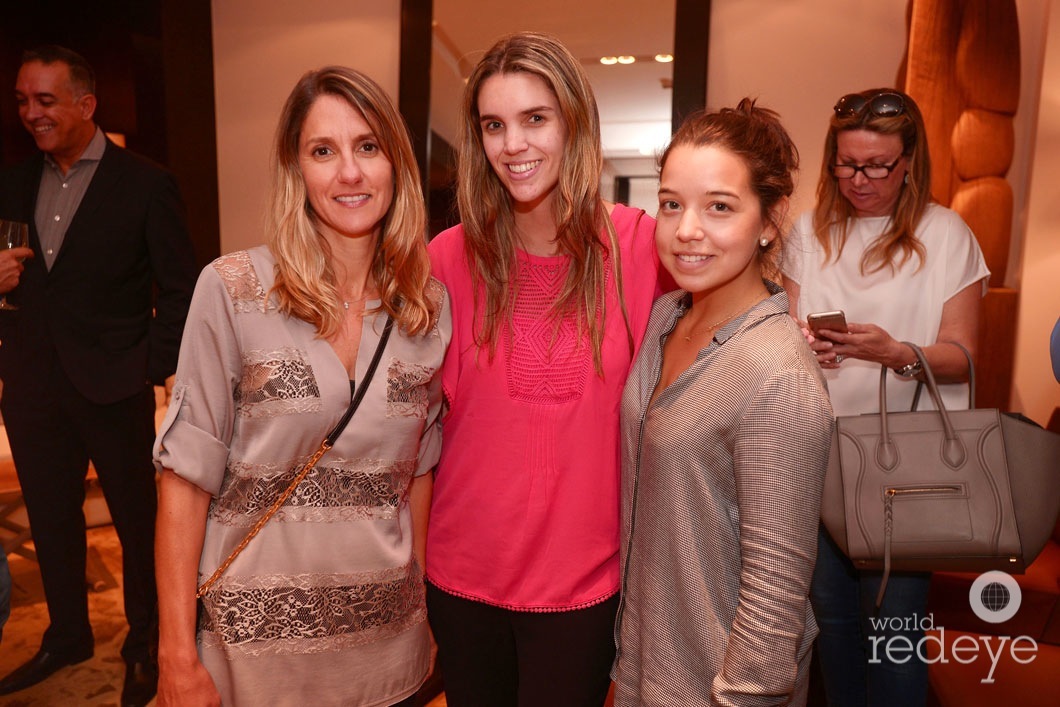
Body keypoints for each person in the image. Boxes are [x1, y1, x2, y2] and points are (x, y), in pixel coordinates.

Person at [153, 65, 450, 707]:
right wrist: (175, 652)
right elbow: (183, 476)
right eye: (324, 151)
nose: (349, 172)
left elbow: (419, 474)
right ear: (297, 171)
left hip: (387, 655)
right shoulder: (231, 289)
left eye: (367, 146)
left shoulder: (427, 308)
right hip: (250, 661)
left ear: (395, 162)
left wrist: (423, 610)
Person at [424, 32, 665, 705]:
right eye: (494, 125)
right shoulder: (445, 259)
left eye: (536, 118)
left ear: (574, 123)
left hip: (585, 583)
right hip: (461, 577)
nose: (513, 144)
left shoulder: (642, 248)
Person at [612, 101, 834, 706]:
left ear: (769, 220)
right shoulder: (666, 319)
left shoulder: (776, 374)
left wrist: (739, 698)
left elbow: (776, 588)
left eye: (719, 207)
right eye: (671, 203)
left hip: (716, 688)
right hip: (644, 667)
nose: (686, 229)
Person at [0, 45, 197, 705]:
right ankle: (67, 633)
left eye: (45, 100)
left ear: (85, 104)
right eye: (23, 100)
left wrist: (152, 365)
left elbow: (179, 290)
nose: (31, 113)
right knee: (53, 520)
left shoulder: (146, 182)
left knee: (139, 525)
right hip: (30, 385)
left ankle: (145, 643)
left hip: (115, 384)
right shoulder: (10, 181)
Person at [782, 88, 989, 706]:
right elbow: (785, 338)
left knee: (893, 635)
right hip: (818, 459)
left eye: (877, 166)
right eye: (846, 164)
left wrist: (896, 353)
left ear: (909, 162)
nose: (859, 179)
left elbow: (964, 358)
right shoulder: (806, 234)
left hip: (910, 469)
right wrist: (802, 351)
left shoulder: (945, 233)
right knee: (835, 631)